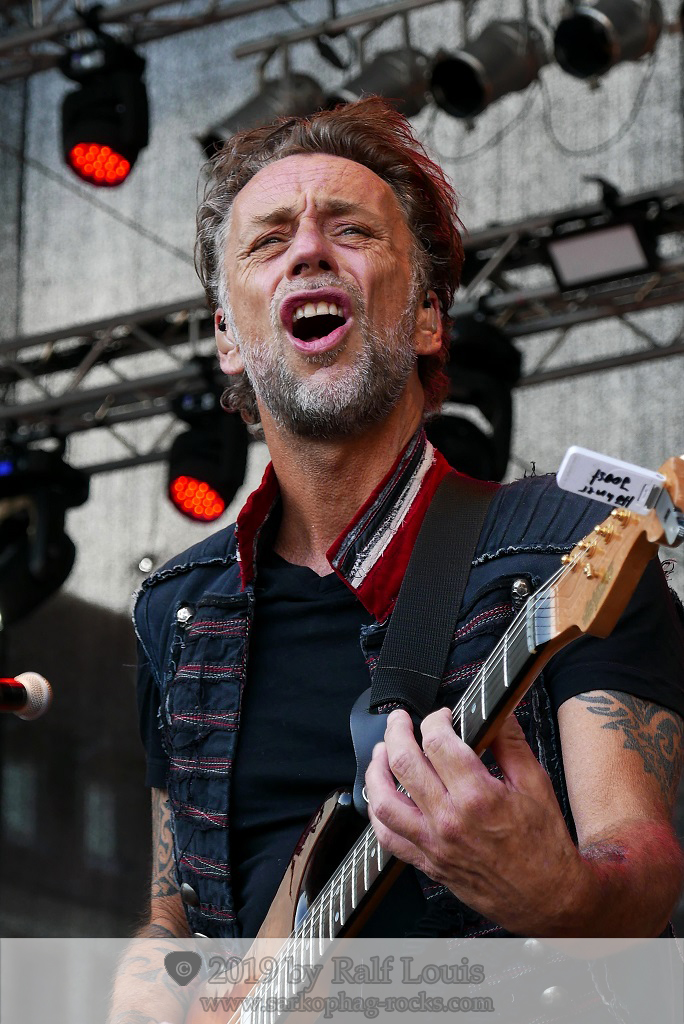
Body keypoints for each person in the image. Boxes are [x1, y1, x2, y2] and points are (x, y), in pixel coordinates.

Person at [112, 97, 684, 1022]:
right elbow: (175, 907)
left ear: (424, 316)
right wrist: (149, 977)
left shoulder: (564, 546)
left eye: (350, 230)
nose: (308, 249)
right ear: (227, 336)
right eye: (269, 240)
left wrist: (563, 896)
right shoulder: (176, 611)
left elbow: (643, 863)